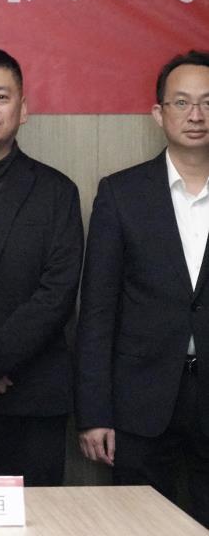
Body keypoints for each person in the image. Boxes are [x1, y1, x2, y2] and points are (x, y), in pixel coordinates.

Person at [77, 50, 209, 527]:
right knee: (139, 526)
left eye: (208, 102)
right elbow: (97, 310)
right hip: (140, 401)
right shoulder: (122, 193)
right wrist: (94, 412)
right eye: (182, 102)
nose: (196, 115)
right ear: (159, 113)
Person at [0, 48, 83, 486]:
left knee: (32, 518)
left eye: (1, 96)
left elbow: (57, 292)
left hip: (32, 394)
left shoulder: (57, 191)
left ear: (23, 109)